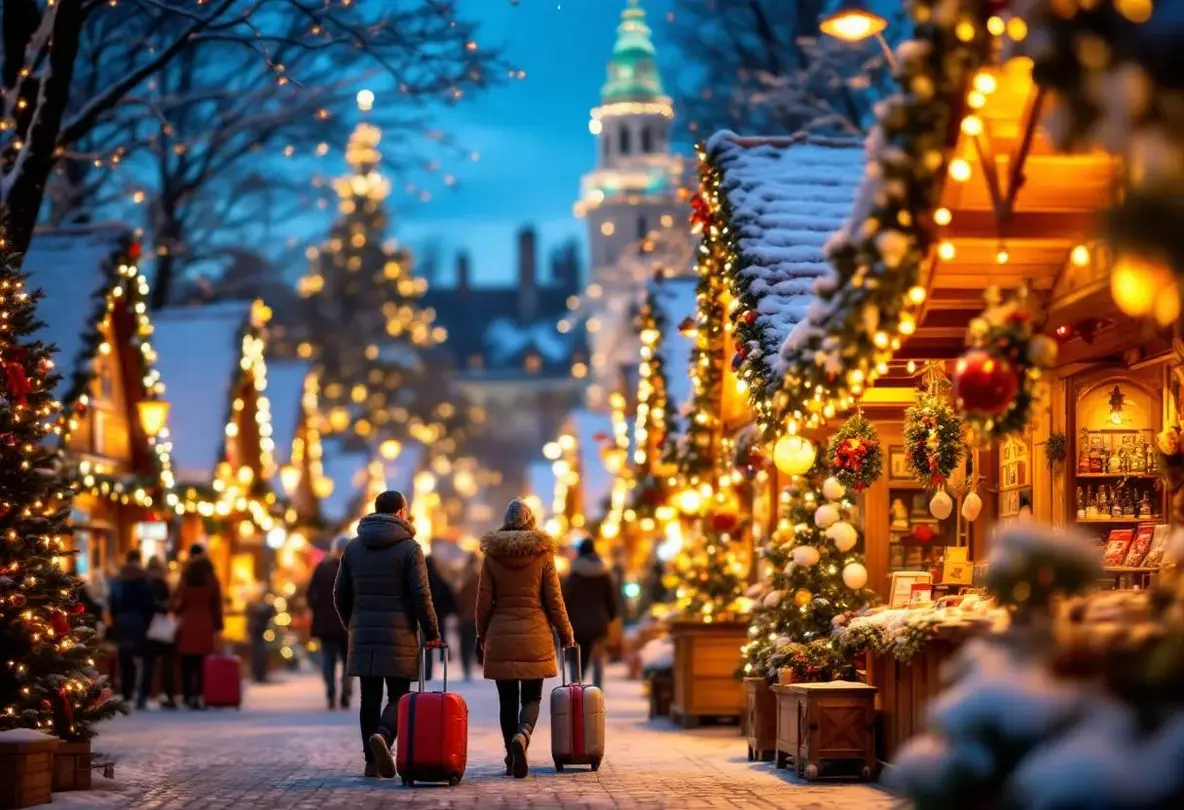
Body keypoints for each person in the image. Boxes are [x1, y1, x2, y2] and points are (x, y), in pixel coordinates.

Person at [334, 490, 440, 779]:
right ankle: (383, 735)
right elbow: (421, 595)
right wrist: (432, 632)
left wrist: (352, 624)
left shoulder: (353, 547)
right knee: (399, 696)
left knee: (368, 697)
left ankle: (371, 761)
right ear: (402, 512)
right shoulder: (410, 548)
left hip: (363, 632)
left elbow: (340, 593)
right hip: (400, 634)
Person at [476, 498, 574, 779]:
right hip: (536, 635)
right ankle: (524, 734)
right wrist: (566, 633)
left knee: (506, 701)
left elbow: (483, 602)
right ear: (531, 522)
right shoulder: (543, 554)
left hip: (501, 635)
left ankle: (510, 754)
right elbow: (554, 600)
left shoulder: (492, 556)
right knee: (532, 697)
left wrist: (481, 634)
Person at [561, 538, 618, 688]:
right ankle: (598, 687)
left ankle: (576, 683)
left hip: (577, 623)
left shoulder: (574, 575)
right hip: (599, 622)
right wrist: (611, 616)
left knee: (578, 656)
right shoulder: (603, 574)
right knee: (598, 657)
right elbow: (610, 599)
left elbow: (566, 599)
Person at [173, 544, 224, 709]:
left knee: (187, 663)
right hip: (205, 624)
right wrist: (218, 625)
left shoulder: (186, 577)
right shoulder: (211, 578)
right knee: (203, 663)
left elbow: (179, 601)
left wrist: (176, 611)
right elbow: (217, 603)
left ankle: (188, 696)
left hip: (188, 624)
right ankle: (200, 694)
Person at [109, 550, 157, 709]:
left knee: (125, 658)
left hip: (122, 621)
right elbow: (150, 604)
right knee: (146, 659)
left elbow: (113, 603)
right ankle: (142, 694)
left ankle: (127, 692)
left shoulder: (117, 580)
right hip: (141, 623)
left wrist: (115, 619)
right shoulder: (145, 580)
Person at [308, 536, 351, 709]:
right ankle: (346, 692)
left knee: (328, 659)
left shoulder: (322, 568)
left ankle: (331, 691)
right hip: (347, 624)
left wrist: (319, 610)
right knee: (349, 661)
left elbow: (311, 595)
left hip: (325, 623)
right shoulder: (352, 569)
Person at [145, 556, 178, 709]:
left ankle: (146, 693)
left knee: (149, 663)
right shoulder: (163, 584)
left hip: (149, 628)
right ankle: (168, 693)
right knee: (167, 663)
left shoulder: (145, 583)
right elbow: (169, 604)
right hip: (162, 628)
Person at [423, 552, 456, 682]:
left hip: (423, 617)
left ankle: (426, 670)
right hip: (439, 617)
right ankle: (441, 658)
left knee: (423, 643)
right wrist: (448, 611)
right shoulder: (440, 580)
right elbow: (450, 599)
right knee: (438, 638)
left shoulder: (421, 580)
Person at [454, 552, 481, 681]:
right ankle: (469, 666)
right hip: (474, 615)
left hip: (465, 616)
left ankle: (466, 667)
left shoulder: (464, 577)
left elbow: (459, 597)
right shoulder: (478, 577)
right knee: (470, 642)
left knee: (465, 643)